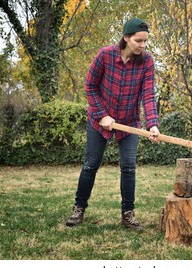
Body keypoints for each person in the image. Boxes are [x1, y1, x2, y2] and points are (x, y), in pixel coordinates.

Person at [66, 18, 160, 231]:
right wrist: (102, 115)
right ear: (126, 38)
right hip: (99, 121)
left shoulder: (147, 62)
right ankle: (79, 208)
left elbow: (148, 95)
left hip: (129, 122)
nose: (143, 45)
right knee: (91, 163)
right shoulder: (105, 55)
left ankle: (128, 214)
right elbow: (89, 87)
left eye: (145, 41)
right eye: (138, 41)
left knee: (129, 167)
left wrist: (152, 124)